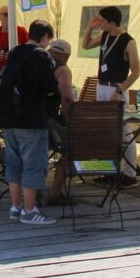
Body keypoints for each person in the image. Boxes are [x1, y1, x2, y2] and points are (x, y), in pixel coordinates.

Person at [3, 19, 59, 226]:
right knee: (33, 164)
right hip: (32, 118)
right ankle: (29, 210)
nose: (47, 44)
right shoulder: (41, 55)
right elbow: (50, 87)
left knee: (14, 163)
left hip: (10, 117)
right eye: (47, 40)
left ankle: (15, 206)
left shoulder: (15, 52)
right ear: (44, 37)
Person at [81, 5, 140, 186]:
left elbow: (135, 72)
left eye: (102, 22)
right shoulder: (105, 35)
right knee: (106, 131)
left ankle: (129, 173)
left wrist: (120, 90)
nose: (100, 24)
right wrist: (90, 27)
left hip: (116, 88)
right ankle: (110, 170)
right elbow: (86, 45)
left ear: (112, 23)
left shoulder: (128, 42)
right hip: (102, 86)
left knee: (123, 131)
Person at [45, 38, 75, 206]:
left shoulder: (38, 62)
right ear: (66, 56)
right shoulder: (61, 69)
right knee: (73, 145)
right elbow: (67, 99)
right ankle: (54, 194)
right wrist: (69, 122)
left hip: (22, 122)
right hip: (44, 123)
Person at [0, 6, 29, 70]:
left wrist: (16, 54)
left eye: (12, 14)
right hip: (3, 72)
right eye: (6, 14)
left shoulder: (21, 31)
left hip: (21, 71)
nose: (9, 17)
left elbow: (32, 50)